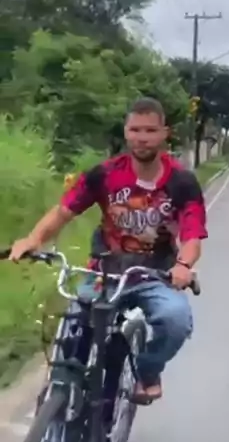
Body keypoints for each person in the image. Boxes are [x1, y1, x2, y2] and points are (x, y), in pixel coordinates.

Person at [9, 97, 208, 403]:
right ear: (126, 132)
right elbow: (64, 212)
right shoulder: (104, 174)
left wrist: (183, 265)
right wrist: (33, 239)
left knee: (175, 320)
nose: (142, 138)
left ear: (164, 133)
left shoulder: (182, 181)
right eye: (135, 129)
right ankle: (58, 398)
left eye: (150, 130)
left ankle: (148, 372)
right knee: (73, 329)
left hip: (155, 276)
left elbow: (192, 234)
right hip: (103, 273)